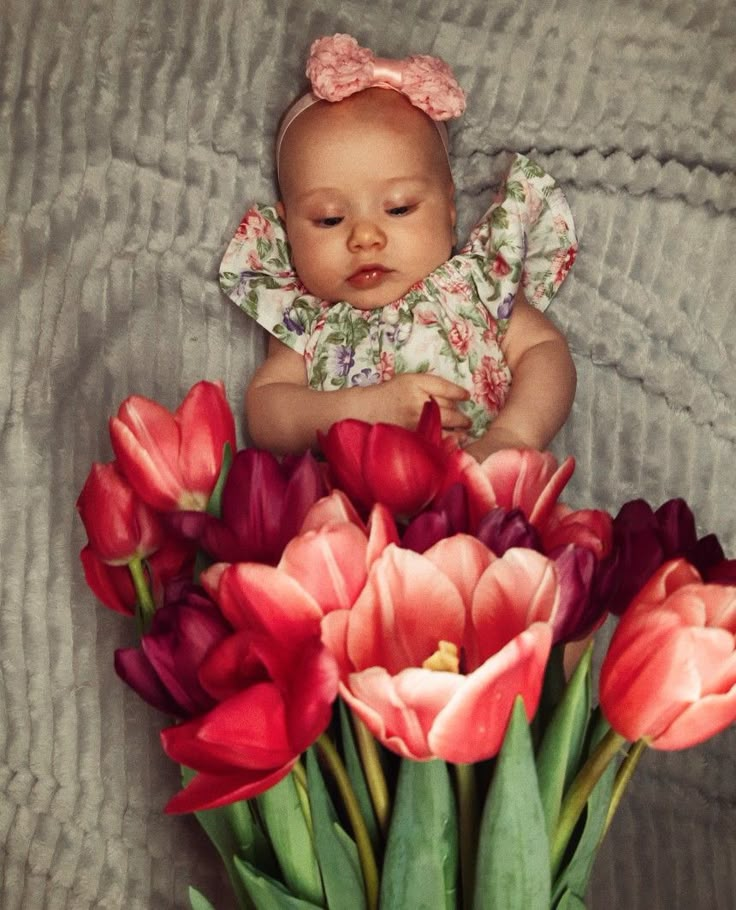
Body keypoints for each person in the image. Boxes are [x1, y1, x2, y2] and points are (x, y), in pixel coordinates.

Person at [220, 34, 577, 462]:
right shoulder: (310, 318)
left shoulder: (476, 285)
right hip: (351, 523)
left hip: (486, 503)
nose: (365, 237)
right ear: (287, 228)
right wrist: (363, 409)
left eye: (399, 207)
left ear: (449, 209)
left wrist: (514, 435)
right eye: (330, 219)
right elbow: (266, 412)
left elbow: (545, 353)